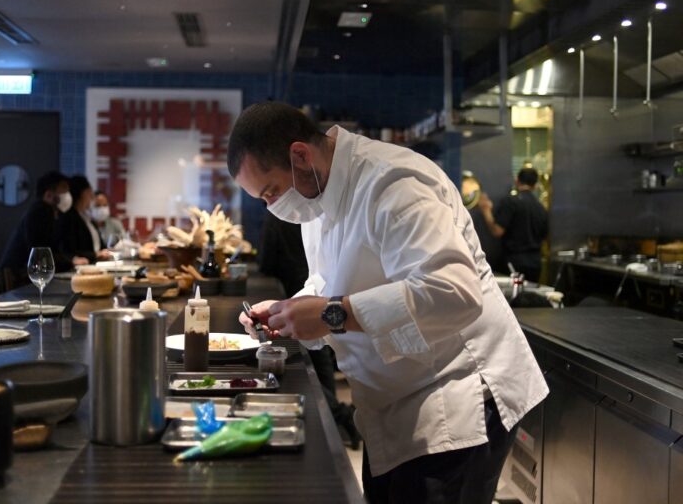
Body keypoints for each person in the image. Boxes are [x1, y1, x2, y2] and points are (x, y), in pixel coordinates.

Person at [228, 102, 548, 504]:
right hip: (396, 400)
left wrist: (331, 315)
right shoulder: (316, 194)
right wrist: (289, 311)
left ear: (299, 155)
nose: (271, 205)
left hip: (456, 395)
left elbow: (453, 292)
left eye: (271, 191)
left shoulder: (392, 181)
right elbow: (329, 280)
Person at [259, 209, 360, 449]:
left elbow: (266, 262)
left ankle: (336, 421)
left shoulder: (281, 213)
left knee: (310, 368)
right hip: (310, 297)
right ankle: (332, 425)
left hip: (297, 296)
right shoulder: (317, 211)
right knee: (320, 361)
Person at [0, 171, 88, 288]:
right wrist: (70, 260)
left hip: (25, 278)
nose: (68, 196)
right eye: (64, 191)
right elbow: (40, 252)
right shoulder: (39, 212)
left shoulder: (53, 213)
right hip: (15, 280)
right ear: (48, 195)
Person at [478, 167, 548, 282]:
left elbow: (497, 231)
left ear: (517, 181)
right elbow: (544, 236)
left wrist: (486, 210)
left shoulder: (511, 202)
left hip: (514, 263)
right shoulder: (541, 208)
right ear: (535, 185)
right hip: (536, 264)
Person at [56, 175, 111, 263]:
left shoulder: (87, 216)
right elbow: (69, 250)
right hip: (81, 266)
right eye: (89, 192)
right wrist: (95, 255)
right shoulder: (69, 217)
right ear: (82, 193)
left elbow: (100, 244)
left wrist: (105, 251)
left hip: (96, 263)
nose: (92, 196)